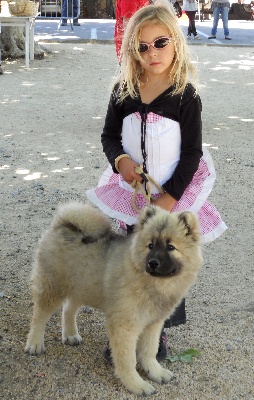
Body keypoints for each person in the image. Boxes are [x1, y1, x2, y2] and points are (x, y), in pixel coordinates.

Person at [87, 0, 227, 361]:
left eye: (161, 43)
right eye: (143, 46)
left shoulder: (186, 95)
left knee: (162, 265)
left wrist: (169, 200)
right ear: (132, 49)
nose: (153, 53)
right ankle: (123, 329)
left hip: (171, 196)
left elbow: (192, 153)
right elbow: (109, 136)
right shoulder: (124, 90)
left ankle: (156, 333)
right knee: (127, 265)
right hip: (132, 198)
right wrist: (120, 161)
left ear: (176, 42)